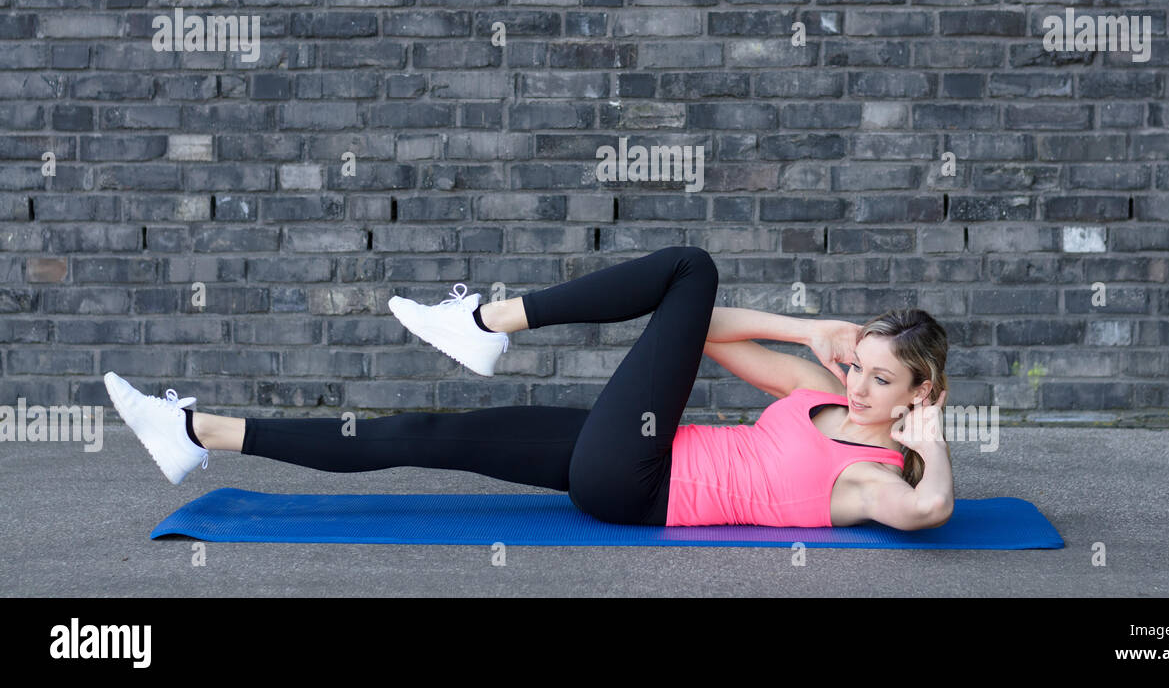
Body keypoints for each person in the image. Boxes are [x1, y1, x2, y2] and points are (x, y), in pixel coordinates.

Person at [105, 245, 953, 529]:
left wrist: (933, 438)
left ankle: (482, 325)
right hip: (620, 455)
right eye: (860, 364)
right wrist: (810, 331)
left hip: (639, 482)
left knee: (690, 264)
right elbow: (708, 329)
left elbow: (928, 512)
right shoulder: (815, 389)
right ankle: (198, 433)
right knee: (426, 435)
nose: (861, 383)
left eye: (883, 379)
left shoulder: (874, 478)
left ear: (921, 391)